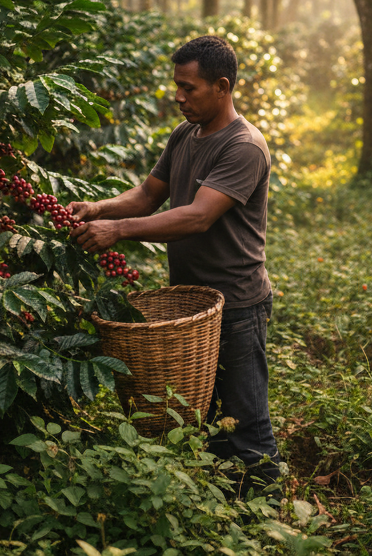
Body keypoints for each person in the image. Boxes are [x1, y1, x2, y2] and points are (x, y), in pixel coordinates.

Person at [68, 35, 282, 495]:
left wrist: (120, 232)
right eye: (176, 87)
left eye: (190, 89)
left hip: (238, 305)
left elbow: (199, 216)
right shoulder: (186, 133)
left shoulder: (243, 146)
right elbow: (148, 194)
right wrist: (100, 209)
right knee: (199, 418)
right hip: (191, 303)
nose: (179, 98)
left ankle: (267, 512)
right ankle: (222, 507)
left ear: (222, 86)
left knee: (245, 421)